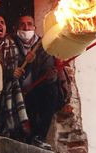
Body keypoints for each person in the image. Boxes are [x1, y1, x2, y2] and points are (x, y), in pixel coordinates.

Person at [12, 15, 69, 149]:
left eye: (29, 24)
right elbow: (10, 70)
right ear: (16, 27)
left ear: (34, 27)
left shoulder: (42, 46)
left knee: (51, 91)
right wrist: (24, 65)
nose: (26, 28)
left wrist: (51, 75)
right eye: (22, 25)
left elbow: (48, 69)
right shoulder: (11, 43)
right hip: (18, 91)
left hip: (36, 90)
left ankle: (39, 136)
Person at [0, 14, 30, 141]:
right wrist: (9, 73)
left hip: (9, 90)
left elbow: (22, 72)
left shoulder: (13, 45)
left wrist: (20, 70)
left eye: (2, 22)